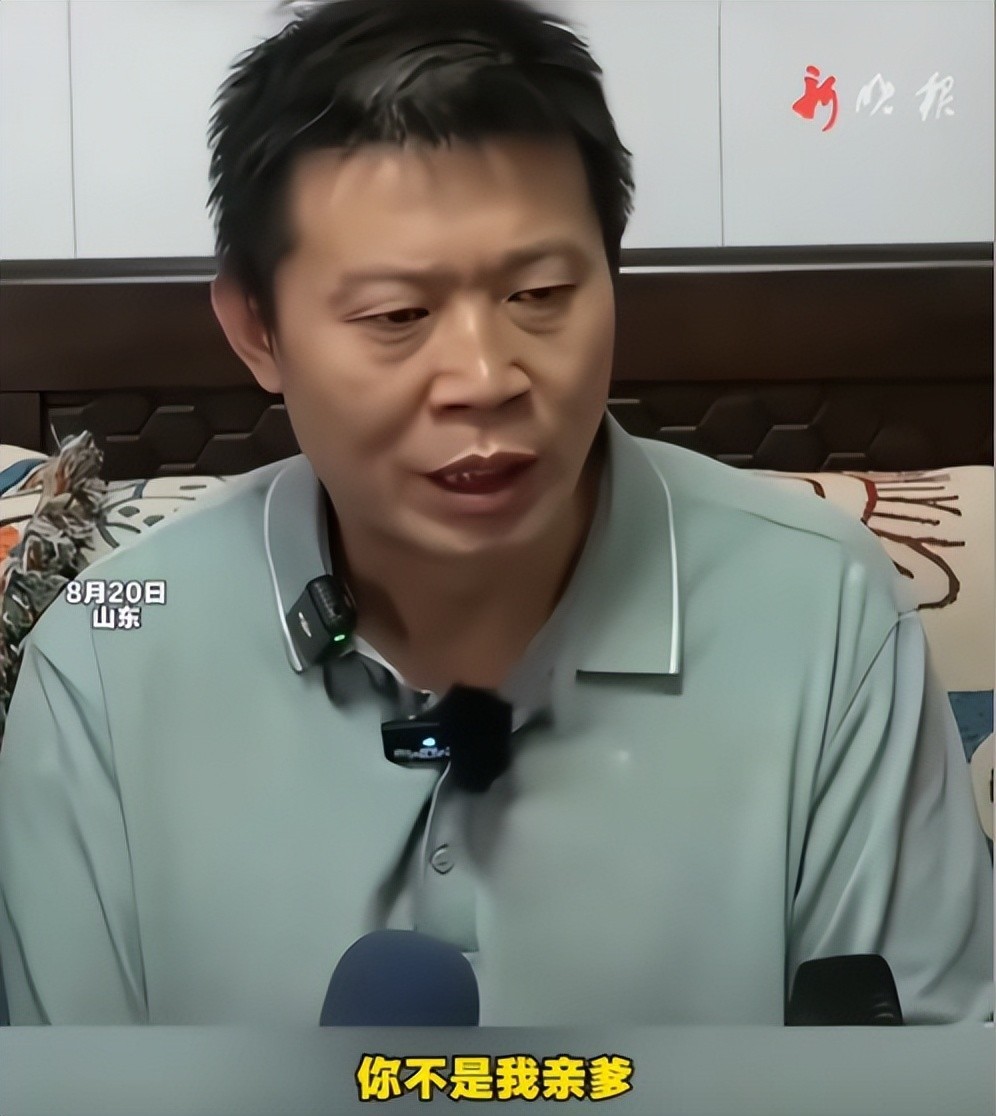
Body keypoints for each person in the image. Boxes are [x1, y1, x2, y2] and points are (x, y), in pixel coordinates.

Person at [0, 0, 990, 1026]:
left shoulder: (825, 615)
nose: (485, 377)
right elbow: (71, 1089)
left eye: (541, 295)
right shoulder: (109, 656)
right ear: (257, 329)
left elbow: (915, 1076)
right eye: (398, 315)